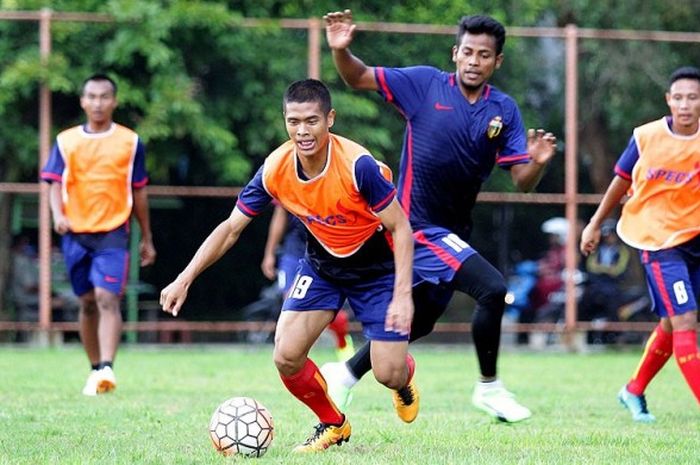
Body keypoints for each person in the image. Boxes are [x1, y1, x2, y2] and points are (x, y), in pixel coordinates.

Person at [321, 10, 557, 422]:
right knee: (492, 288)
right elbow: (357, 77)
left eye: (484, 55)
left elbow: (522, 181)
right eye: (467, 52)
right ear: (455, 53)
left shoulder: (503, 110)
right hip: (413, 226)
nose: (474, 60)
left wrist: (536, 163)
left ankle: (343, 375)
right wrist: (342, 51)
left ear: (496, 61)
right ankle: (489, 388)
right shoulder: (423, 84)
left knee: (422, 319)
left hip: (452, 232)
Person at [160, 79, 418, 452]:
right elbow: (231, 228)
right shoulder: (275, 169)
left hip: (376, 271)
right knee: (286, 356)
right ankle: (333, 424)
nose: (302, 131)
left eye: (311, 121)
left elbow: (401, 228)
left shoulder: (358, 166)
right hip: (322, 266)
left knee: (387, 373)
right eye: (293, 121)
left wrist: (402, 295)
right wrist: (185, 278)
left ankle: (404, 376)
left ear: (329, 118)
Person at [580, 66, 700, 422]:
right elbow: (619, 182)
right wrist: (594, 224)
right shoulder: (647, 136)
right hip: (656, 240)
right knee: (685, 321)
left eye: (692, 98)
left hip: (693, 239)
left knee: (671, 323)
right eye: (678, 97)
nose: (685, 104)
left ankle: (633, 390)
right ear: (668, 100)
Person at [40, 74, 157, 396]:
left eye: (104, 97)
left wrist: (146, 237)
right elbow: (52, 182)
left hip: (114, 232)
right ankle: (95, 370)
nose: (98, 103)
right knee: (87, 302)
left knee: (107, 298)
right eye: (91, 96)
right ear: (82, 100)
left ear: (114, 101)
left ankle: (107, 366)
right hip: (75, 233)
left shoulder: (130, 142)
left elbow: (140, 193)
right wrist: (58, 214)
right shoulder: (66, 141)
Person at [261, 204, 355, 361]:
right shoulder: (286, 181)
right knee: (290, 302)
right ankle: (296, 355)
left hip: (323, 251)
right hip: (293, 251)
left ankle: (342, 340)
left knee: (328, 308)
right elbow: (280, 214)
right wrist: (269, 253)